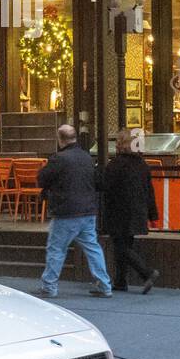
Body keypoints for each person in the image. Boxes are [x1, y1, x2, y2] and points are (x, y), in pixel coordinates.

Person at [36, 124, 112, 298]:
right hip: (88, 211)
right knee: (92, 247)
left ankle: (49, 286)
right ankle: (104, 285)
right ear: (75, 137)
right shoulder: (86, 157)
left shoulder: (58, 158)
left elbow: (41, 179)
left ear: (60, 139)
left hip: (66, 212)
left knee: (56, 249)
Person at [102, 129, 161, 294]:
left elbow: (106, 187)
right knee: (125, 244)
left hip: (118, 211)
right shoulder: (142, 164)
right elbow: (149, 191)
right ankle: (120, 281)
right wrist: (153, 214)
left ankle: (147, 273)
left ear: (120, 144)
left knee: (120, 246)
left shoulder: (115, 164)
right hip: (137, 211)